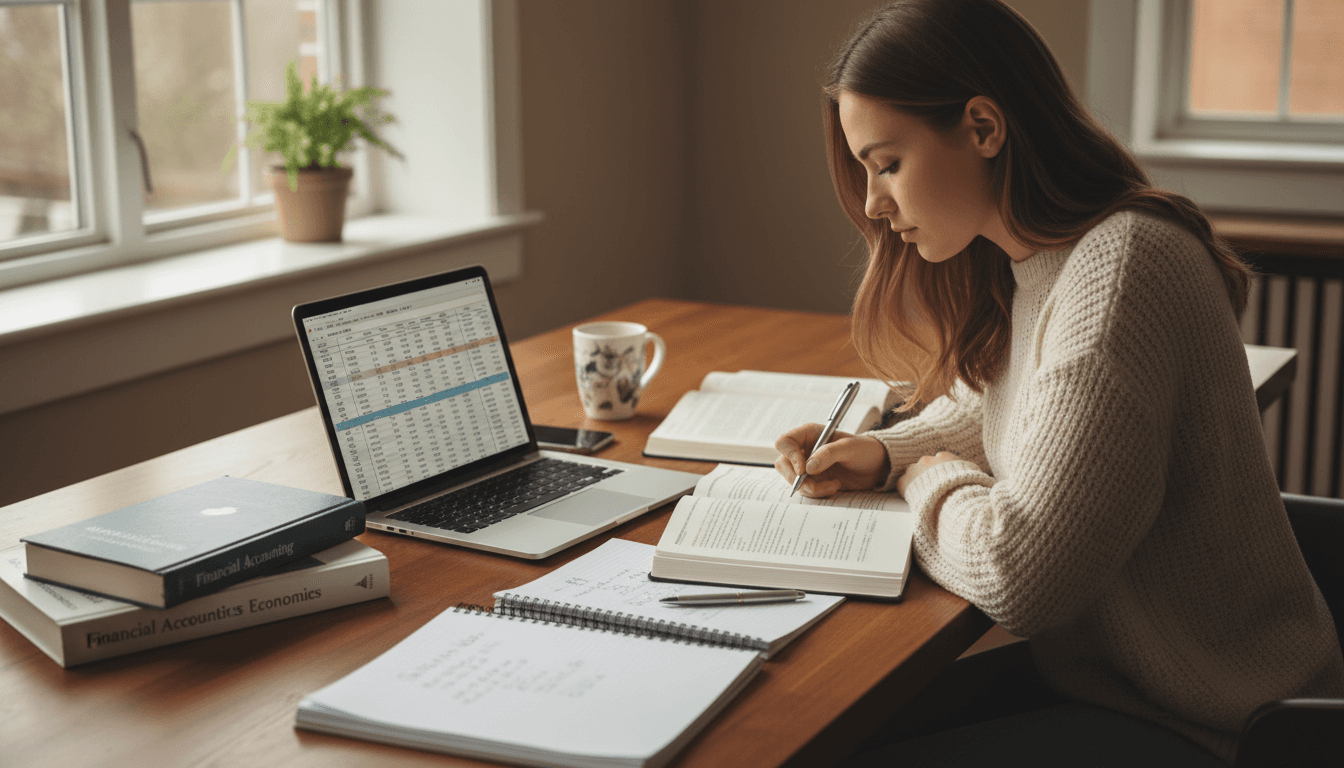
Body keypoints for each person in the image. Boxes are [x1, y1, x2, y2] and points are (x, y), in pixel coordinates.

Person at [773, 1, 1344, 765]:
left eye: (887, 164)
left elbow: (1021, 577)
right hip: (1117, 683)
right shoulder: (1043, 261)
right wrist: (879, 451)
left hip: (1218, 722)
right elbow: (1007, 405)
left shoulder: (1121, 271)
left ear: (983, 128)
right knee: (819, 730)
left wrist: (927, 478)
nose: (875, 205)